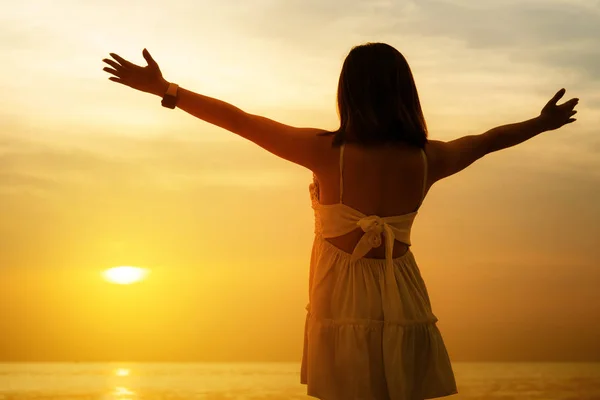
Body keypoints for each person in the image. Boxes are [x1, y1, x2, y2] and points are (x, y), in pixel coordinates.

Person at [102, 42, 579, 400]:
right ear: (405, 93)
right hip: (403, 291)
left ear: (347, 93)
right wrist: (541, 123)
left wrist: (168, 91)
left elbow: (239, 120)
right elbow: (489, 139)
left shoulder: (325, 152)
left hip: (342, 295)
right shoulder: (428, 157)